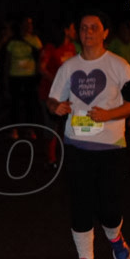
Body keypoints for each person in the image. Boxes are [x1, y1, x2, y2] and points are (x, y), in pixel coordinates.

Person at [46, 10, 130, 259]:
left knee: (109, 207)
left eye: (94, 28)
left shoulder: (118, 65)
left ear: (105, 33)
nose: (88, 32)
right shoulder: (69, 67)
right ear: (78, 33)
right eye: (84, 28)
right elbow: (52, 100)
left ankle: (115, 236)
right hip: (76, 144)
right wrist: (58, 107)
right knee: (80, 203)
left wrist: (108, 115)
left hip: (110, 146)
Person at [38, 20, 78, 168]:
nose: (76, 31)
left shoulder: (72, 47)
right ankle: (51, 159)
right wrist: (58, 81)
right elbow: (41, 69)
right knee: (51, 127)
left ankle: (64, 157)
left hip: (68, 95)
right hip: (49, 95)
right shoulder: (50, 48)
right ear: (66, 30)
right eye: (73, 28)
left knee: (67, 126)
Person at [3, 16, 43, 139]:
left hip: (30, 77)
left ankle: (29, 129)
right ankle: (14, 129)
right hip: (15, 76)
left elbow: (40, 58)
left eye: (30, 24)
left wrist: (38, 74)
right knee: (15, 103)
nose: (29, 27)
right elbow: (7, 61)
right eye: (26, 24)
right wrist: (5, 78)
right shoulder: (13, 41)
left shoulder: (35, 40)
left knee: (30, 104)